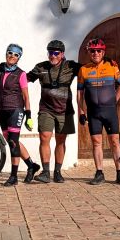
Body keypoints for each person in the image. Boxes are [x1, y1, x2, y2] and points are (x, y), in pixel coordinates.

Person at [77, 37, 120, 185]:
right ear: (89, 52)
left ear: (103, 52)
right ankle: (99, 173)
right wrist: (80, 110)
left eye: (98, 51)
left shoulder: (112, 66)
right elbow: (79, 93)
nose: (95, 53)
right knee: (96, 142)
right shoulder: (83, 69)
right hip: (93, 113)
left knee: (115, 142)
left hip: (109, 111)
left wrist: (114, 100)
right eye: (92, 51)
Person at [0, 44, 41, 186]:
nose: (12, 56)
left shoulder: (21, 74)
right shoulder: (0, 69)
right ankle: (31, 165)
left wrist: (28, 115)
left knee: (13, 143)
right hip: (2, 110)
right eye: (10, 53)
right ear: (6, 53)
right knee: (11, 141)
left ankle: (13, 176)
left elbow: (26, 96)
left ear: (19, 58)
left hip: (16, 110)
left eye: (16, 55)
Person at [26, 39, 79, 183]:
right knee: (44, 138)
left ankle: (57, 172)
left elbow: (90, 70)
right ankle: (45, 172)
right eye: (50, 52)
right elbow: (24, 79)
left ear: (62, 54)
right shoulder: (41, 67)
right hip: (46, 109)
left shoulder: (71, 66)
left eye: (56, 53)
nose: (53, 56)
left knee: (61, 141)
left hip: (65, 110)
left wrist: (107, 61)